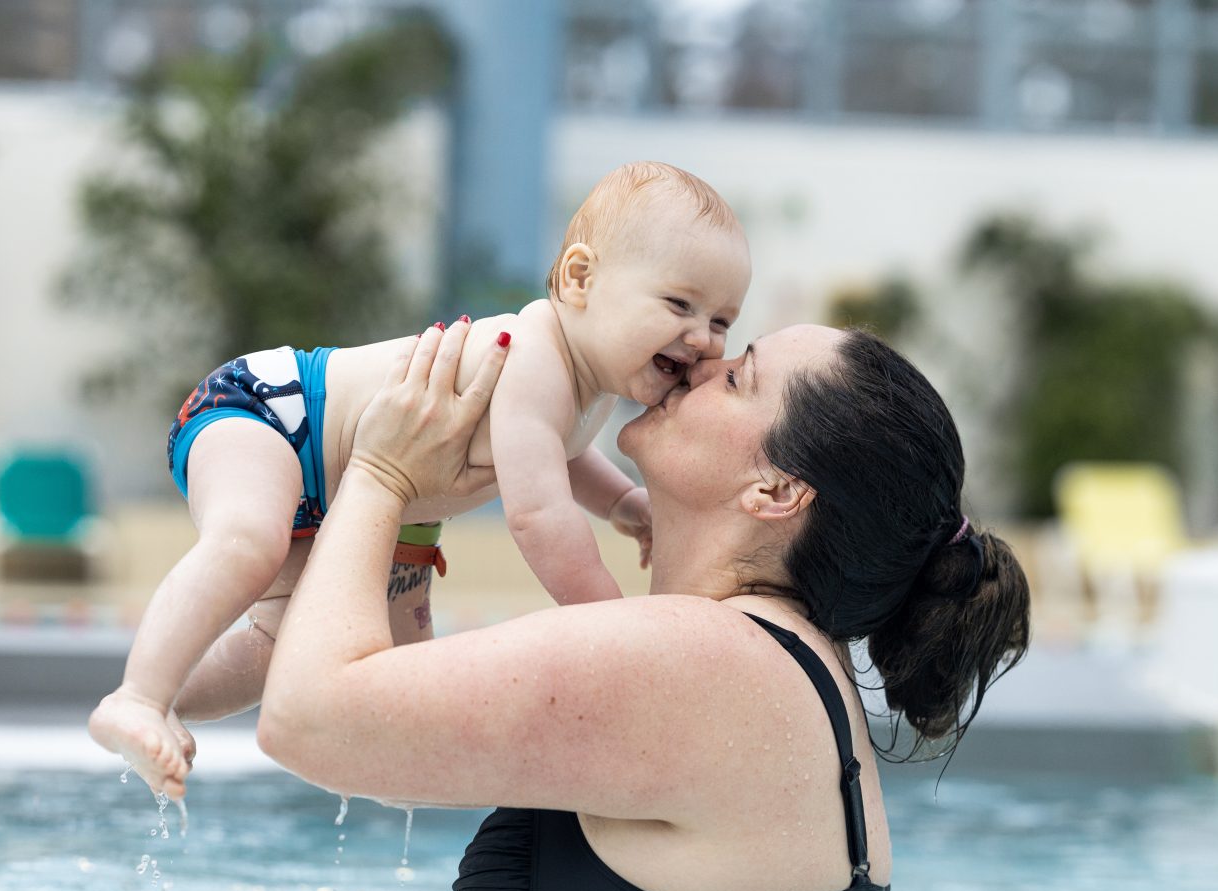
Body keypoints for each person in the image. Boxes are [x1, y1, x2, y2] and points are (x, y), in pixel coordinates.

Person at [256, 318, 1031, 891]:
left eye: (738, 376)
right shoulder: (777, 661)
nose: (701, 362)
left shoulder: (707, 663)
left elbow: (306, 721)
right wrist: (413, 511)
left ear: (776, 491)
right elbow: (394, 752)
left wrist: (382, 472)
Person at [89, 162, 751, 799]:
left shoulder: (590, 386)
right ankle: (137, 696)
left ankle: (165, 705)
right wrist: (615, 624)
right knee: (247, 542)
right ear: (581, 279)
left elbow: (564, 456)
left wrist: (624, 503)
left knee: (275, 649)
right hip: (272, 413)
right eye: (680, 304)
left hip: (327, 490)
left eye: (722, 321)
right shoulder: (535, 357)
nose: (703, 338)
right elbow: (539, 515)